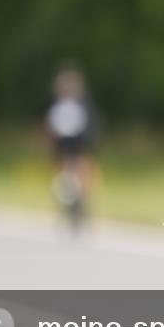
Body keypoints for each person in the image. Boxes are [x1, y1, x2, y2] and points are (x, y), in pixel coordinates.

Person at [45, 64, 99, 231]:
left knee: (82, 183)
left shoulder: (84, 104)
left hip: (80, 149)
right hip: (62, 151)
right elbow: (51, 128)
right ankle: (66, 212)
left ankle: (81, 212)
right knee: (63, 184)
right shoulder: (56, 104)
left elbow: (91, 127)